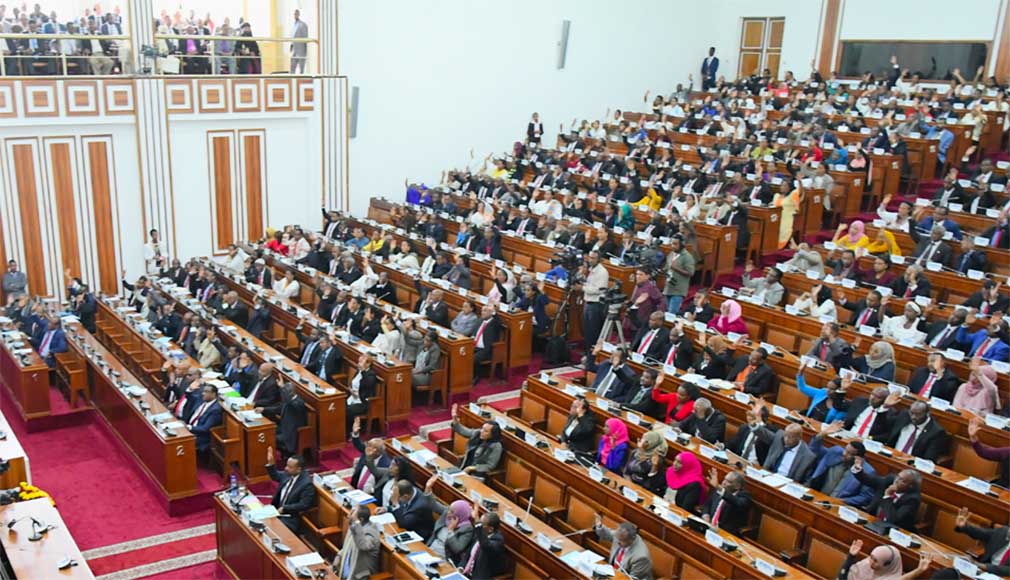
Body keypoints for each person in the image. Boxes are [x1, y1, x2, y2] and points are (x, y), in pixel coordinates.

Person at [806, 424, 876, 509]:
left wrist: (842, 501)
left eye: (850, 454)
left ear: (858, 458)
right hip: (817, 495)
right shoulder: (835, 452)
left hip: (838, 506)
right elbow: (813, 450)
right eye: (846, 450)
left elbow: (865, 497)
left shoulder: (868, 471)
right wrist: (822, 434)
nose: (844, 454)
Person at [852, 463, 922, 531]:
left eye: (902, 481)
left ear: (910, 486)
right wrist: (858, 470)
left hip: (892, 530)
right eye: (898, 477)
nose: (896, 481)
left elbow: (893, 520)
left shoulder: (912, 499)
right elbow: (870, 480)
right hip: (872, 519)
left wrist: (887, 496)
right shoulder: (890, 480)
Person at [424, 478, 476, 564]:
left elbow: (457, 548)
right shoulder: (447, 514)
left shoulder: (467, 529)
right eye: (449, 509)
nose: (448, 512)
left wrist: (451, 530)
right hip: (429, 549)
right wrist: (428, 488)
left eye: (452, 511)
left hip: (444, 559)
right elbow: (433, 505)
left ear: (459, 514)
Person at [265, 446, 316, 534]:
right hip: (276, 511)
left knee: (270, 530)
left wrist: (285, 508)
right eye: (287, 465)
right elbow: (276, 476)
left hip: (290, 518)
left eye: (290, 467)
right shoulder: (289, 474)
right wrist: (270, 463)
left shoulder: (306, 484)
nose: (286, 468)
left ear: (299, 469)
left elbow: (304, 504)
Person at [449, 404, 503, 479]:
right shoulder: (477, 433)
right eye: (482, 428)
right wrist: (454, 418)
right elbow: (463, 431)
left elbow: (490, 466)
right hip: (464, 467)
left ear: (492, 434)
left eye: (486, 431)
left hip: (477, 474)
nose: (482, 431)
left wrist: (472, 468)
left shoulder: (496, 446)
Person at [954, 507, 1010, 577]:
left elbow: (1007, 570)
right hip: (983, 572)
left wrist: (982, 565)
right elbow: (982, 533)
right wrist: (964, 526)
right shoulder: (1004, 531)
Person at [837, 540, 930, 580]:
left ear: (887, 564)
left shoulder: (890, 576)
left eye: (876, 561)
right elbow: (842, 577)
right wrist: (851, 556)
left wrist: (919, 570)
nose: (871, 562)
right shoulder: (865, 564)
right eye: (871, 557)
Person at [263, 383, 308, 458]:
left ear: (291, 393)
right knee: (267, 433)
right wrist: (264, 409)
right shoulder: (288, 401)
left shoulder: (299, 403)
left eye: (285, 393)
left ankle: (286, 453)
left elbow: (290, 404)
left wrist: (282, 388)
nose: (283, 396)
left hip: (292, 433)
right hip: (283, 428)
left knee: (271, 438)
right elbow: (278, 409)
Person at [462, 503, 506, 579]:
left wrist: (477, 521)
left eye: (482, 524)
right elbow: (468, 555)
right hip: (465, 574)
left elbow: (486, 545)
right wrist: (461, 567)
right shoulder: (480, 534)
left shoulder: (498, 540)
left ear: (490, 529)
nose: (479, 526)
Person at [334, 505, 379, 580]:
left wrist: (356, 523)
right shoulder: (354, 526)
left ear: (360, 520)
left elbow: (363, 546)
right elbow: (349, 547)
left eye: (352, 514)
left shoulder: (371, 532)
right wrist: (339, 555)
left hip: (359, 577)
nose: (348, 516)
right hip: (344, 573)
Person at [701, 469, 751, 535]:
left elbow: (736, 501)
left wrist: (719, 487)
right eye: (724, 479)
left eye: (729, 482)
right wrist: (705, 515)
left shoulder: (744, 496)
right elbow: (707, 504)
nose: (724, 482)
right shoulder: (719, 490)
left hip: (725, 533)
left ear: (737, 486)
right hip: (708, 525)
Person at [582, 250, 609, 352]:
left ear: (599, 259)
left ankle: (593, 355)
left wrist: (582, 288)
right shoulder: (591, 269)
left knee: (593, 332)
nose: (590, 260)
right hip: (588, 303)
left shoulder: (602, 272)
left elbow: (598, 290)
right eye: (590, 257)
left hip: (596, 305)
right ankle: (588, 353)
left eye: (593, 258)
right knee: (587, 331)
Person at [624, 430, 667, 494]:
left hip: (644, 489)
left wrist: (654, 466)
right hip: (630, 484)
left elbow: (651, 481)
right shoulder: (636, 452)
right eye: (643, 439)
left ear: (652, 443)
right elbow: (627, 472)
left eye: (646, 441)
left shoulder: (657, 459)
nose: (643, 443)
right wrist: (629, 485)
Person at [187, 384, 223, 455]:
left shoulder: (215, 410)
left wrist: (189, 427)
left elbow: (205, 429)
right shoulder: (202, 399)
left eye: (206, 391)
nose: (203, 393)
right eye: (203, 391)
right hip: (189, 427)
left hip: (199, 435)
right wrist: (189, 390)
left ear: (213, 394)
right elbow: (189, 397)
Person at [662, 236, 695, 313]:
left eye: (675, 244)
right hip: (668, 288)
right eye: (672, 244)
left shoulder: (687, 257)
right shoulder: (671, 254)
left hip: (678, 290)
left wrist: (675, 268)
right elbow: (667, 267)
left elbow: (691, 273)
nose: (673, 246)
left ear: (682, 244)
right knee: (664, 313)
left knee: (671, 315)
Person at [346, 355, 377, 434]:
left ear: (368, 364)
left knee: (348, 410)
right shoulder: (358, 371)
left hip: (363, 402)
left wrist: (363, 371)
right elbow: (354, 383)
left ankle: (349, 432)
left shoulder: (371, 374)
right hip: (353, 397)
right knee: (339, 406)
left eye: (361, 362)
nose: (359, 364)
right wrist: (351, 390)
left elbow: (368, 384)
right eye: (358, 362)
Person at [471, 305, 502, 382]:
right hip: (474, 345)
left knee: (474, 359)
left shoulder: (494, 323)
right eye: (482, 311)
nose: (482, 313)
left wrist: (494, 312)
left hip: (485, 349)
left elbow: (499, 323)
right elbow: (474, 332)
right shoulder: (480, 320)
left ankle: (475, 377)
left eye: (485, 311)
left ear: (491, 313)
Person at [289, 9, 308, 74]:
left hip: (301, 50)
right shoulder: (293, 25)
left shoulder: (302, 25)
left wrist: (305, 50)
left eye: (296, 14)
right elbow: (292, 38)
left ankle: (301, 81)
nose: (295, 15)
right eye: (294, 14)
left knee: (301, 69)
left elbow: (305, 38)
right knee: (292, 68)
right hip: (294, 50)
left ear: (299, 14)